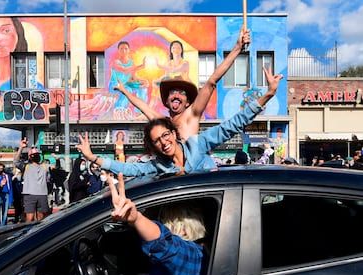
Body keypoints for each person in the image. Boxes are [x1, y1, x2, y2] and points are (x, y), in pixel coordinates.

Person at [78, 66, 283, 177]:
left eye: (165, 135)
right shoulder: (160, 164)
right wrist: (93, 157)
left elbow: (231, 125)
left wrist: (268, 94)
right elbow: (130, 169)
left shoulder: (197, 143)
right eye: (157, 140)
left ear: (175, 134)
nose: (163, 142)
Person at [114, 26, 251, 141]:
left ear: (187, 102)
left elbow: (211, 81)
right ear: (167, 101)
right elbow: (143, 106)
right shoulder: (164, 122)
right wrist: (124, 90)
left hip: (194, 172)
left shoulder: (192, 114)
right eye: (172, 92)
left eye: (182, 93)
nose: (176, 95)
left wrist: (237, 48)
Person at [109, 172, 205, 275]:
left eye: (163, 221)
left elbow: (163, 244)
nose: (157, 223)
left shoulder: (192, 255)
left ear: (183, 228)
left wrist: (137, 219)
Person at [108, 41, 149, 117]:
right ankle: (119, 110)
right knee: (127, 90)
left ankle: (139, 111)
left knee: (143, 88)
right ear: (118, 50)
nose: (124, 51)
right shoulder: (115, 62)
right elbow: (125, 70)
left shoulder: (131, 63)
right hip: (115, 85)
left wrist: (143, 81)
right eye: (121, 49)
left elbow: (134, 77)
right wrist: (141, 66)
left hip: (126, 84)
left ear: (129, 50)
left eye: (126, 49)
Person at [13, 139, 50, 222]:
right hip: (29, 195)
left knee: (41, 218)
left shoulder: (44, 166)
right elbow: (16, 161)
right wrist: (21, 148)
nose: (36, 156)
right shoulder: (26, 166)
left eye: (37, 154)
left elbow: (54, 168)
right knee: (30, 218)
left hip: (42, 194)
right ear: (30, 157)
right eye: (34, 155)